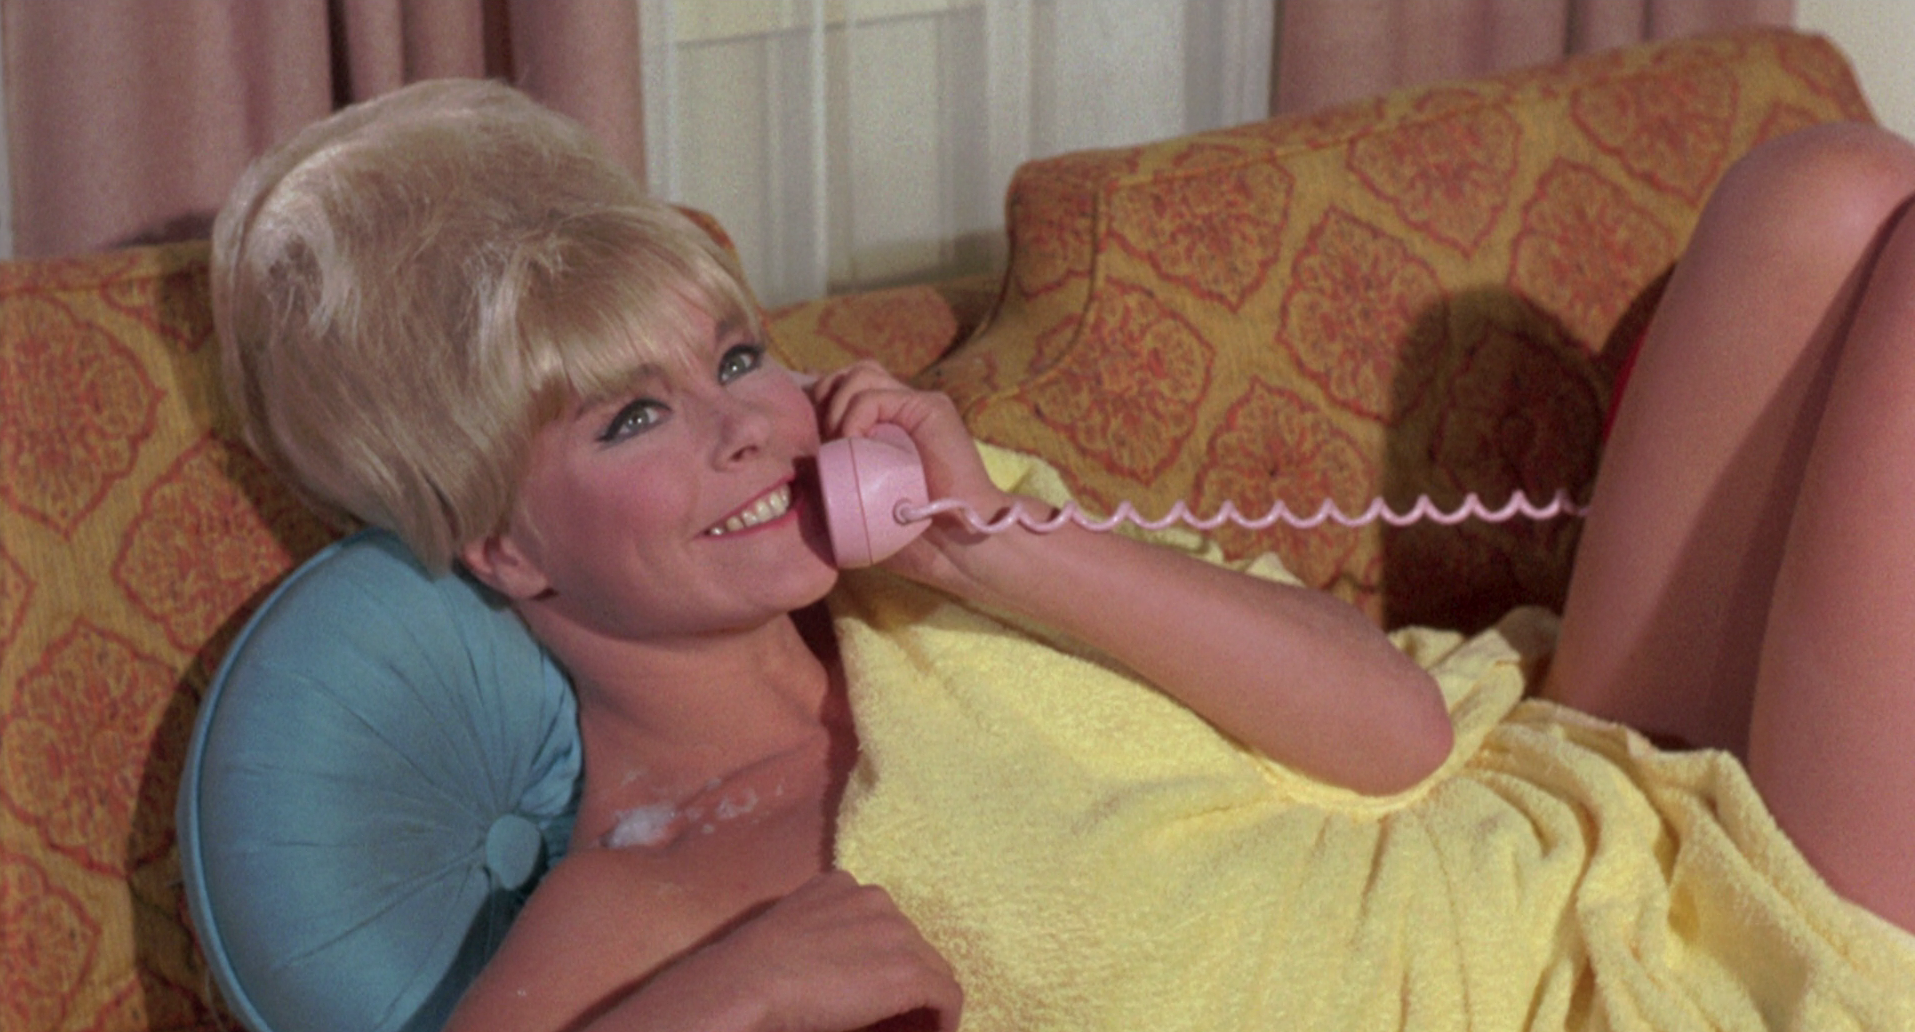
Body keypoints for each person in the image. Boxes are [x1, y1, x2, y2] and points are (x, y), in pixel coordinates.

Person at [210, 78, 1915, 1032]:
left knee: (1821, 187)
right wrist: (725, 999)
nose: (745, 427)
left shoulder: (951, 539)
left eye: (734, 359)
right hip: (1615, 1004)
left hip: (1554, 809)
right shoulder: (636, 897)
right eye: (632, 419)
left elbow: (1395, 735)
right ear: (503, 545)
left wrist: (991, 549)